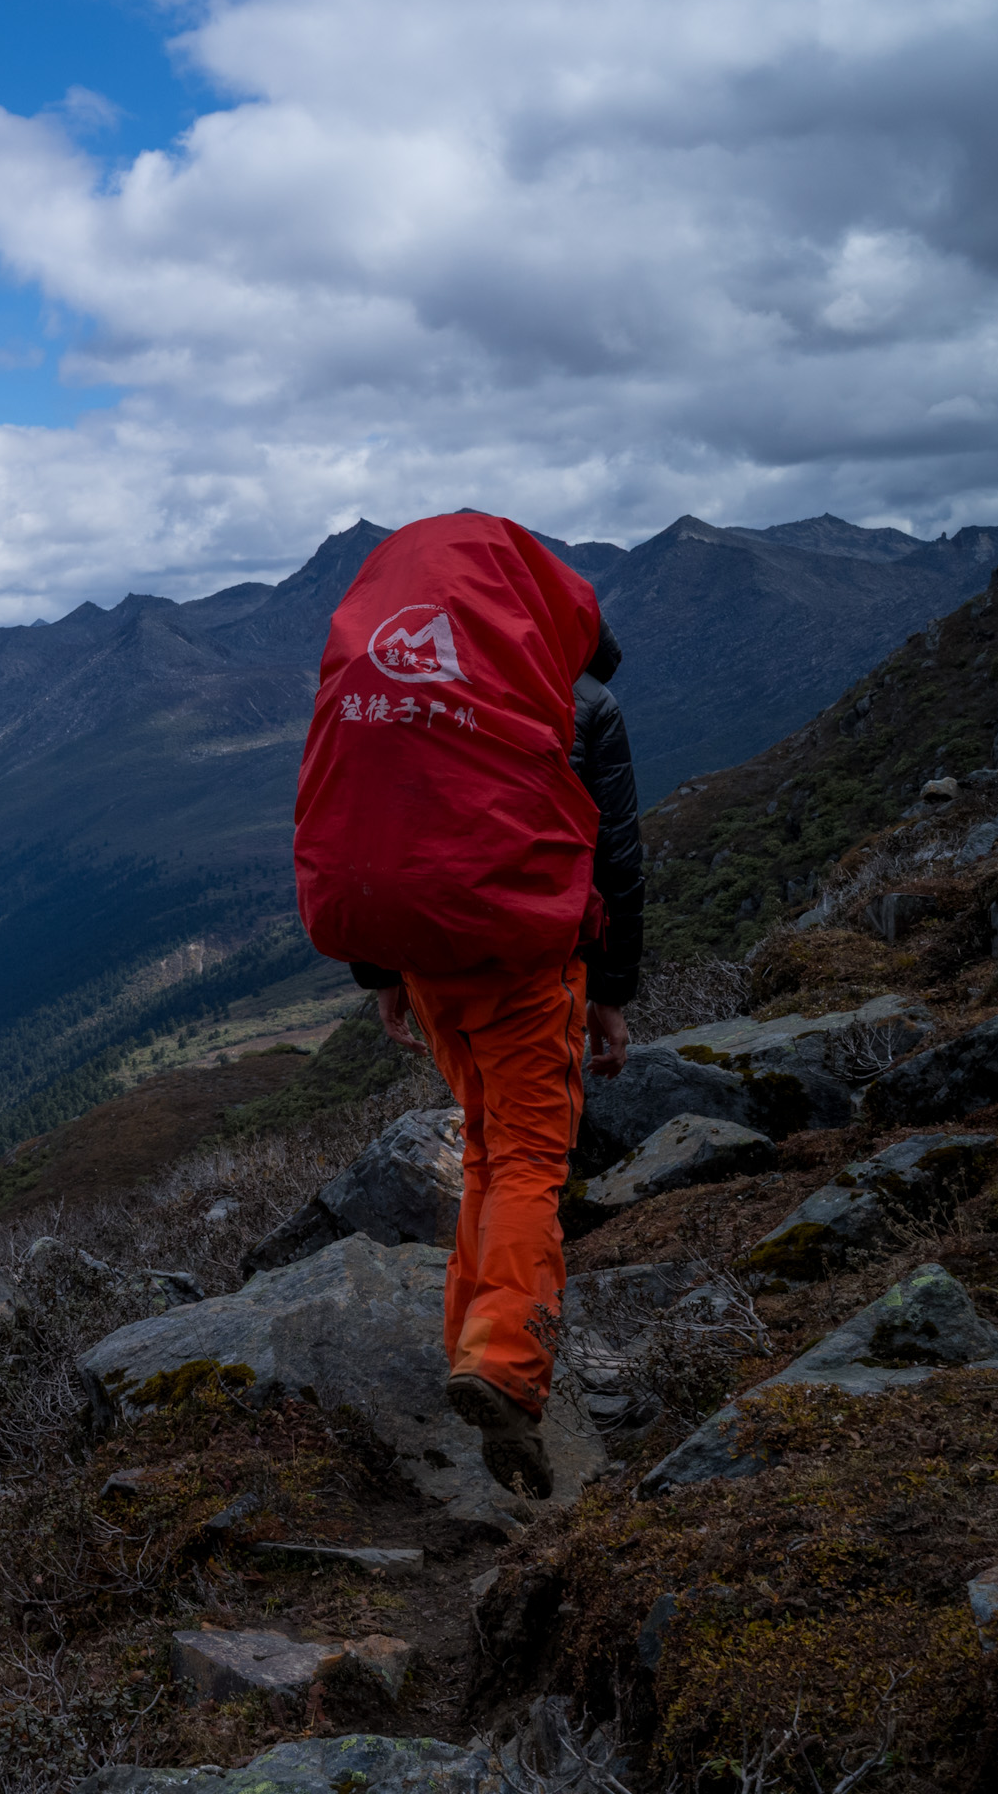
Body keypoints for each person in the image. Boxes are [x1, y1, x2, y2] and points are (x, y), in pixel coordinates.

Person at [343, 620, 643, 1497]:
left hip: (431, 964)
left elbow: (371, 835)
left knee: (485, 1138)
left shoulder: (416, 695)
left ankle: (468, 1342)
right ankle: (505, 1365)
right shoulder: (585, 703)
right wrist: (615, 991)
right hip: (528, 967)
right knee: (528, 1161)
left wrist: (381, 971)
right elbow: (616, 857)